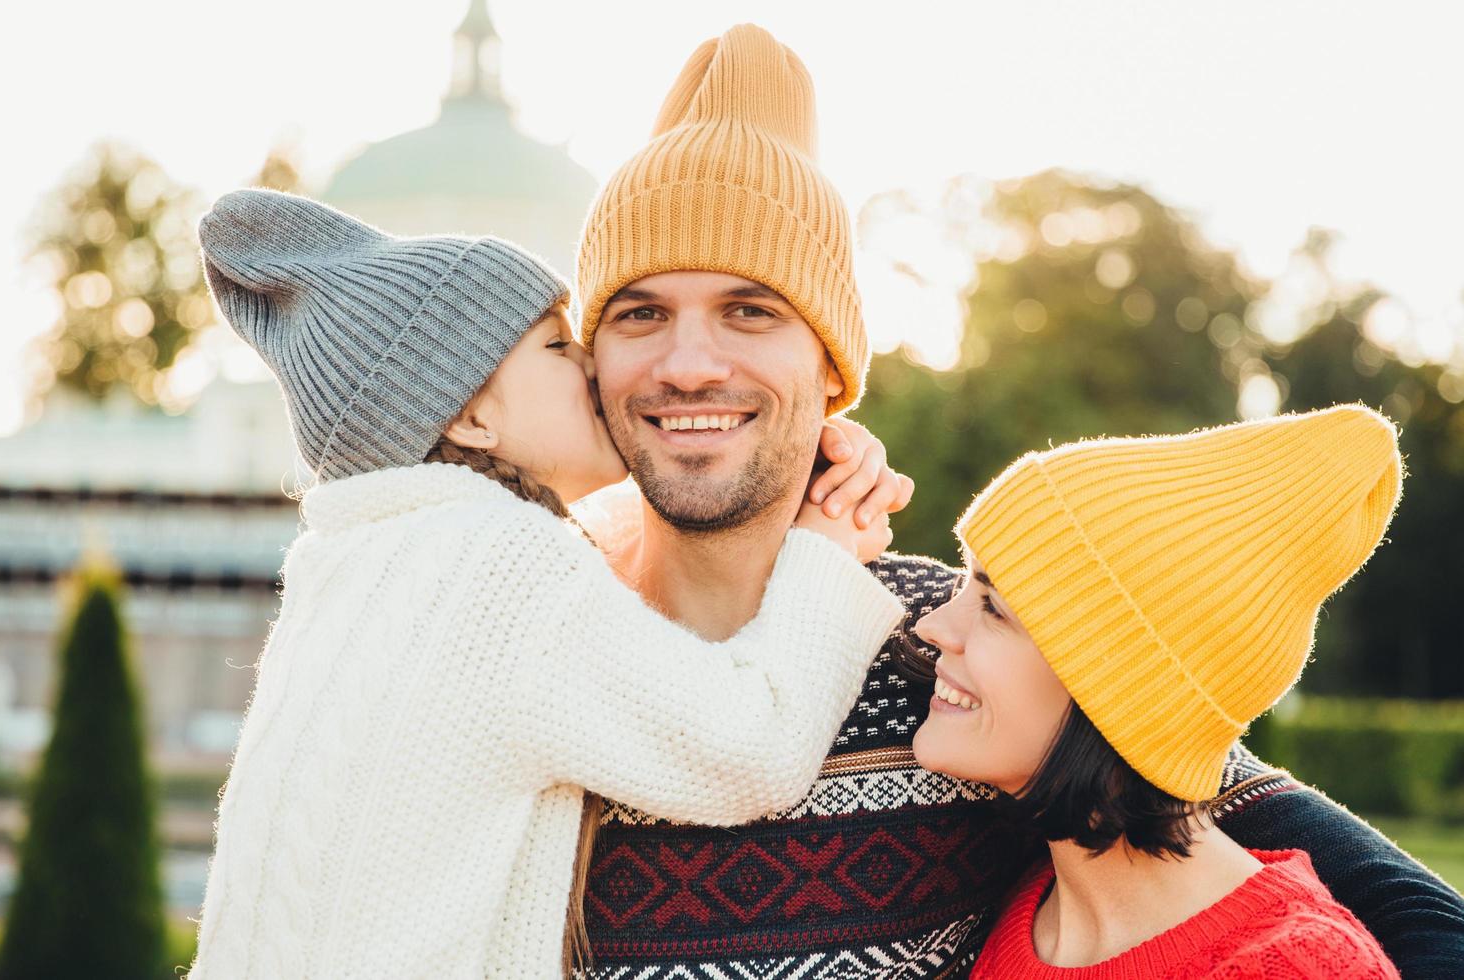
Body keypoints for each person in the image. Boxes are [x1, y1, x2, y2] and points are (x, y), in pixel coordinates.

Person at [567, 23, 1464, 978]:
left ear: (830, 367)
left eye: (751, 310)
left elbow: (1374, 907)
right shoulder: (524, 642)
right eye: (638, 314)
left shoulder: (943, 656)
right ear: (589, 364)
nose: (691, 365)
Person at [186, 189, 916, 979]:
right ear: (469, 420)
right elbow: (750, 749)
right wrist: (825, 552)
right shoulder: (496, 566)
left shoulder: (364, 561)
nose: (594, 368)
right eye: (556, 348)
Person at [912, 406, 1402, 978]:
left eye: (993, 608)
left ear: (1123, 688)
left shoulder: (1301, 968)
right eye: (963, 582)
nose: (933, 627)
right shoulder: (1007, 909)